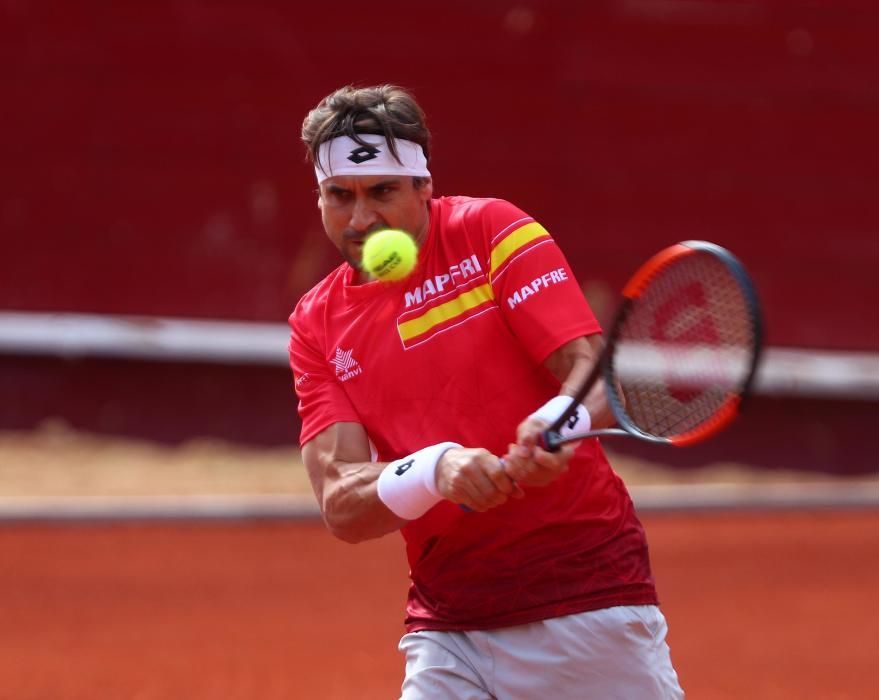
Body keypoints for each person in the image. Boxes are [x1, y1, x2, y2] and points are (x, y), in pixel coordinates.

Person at [288, 84, 684, 699]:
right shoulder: (316, 324)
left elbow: (592, 370)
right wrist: (435, 469)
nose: (362, 220)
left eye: (382, 192)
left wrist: (559, 424)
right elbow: (341, 503)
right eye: (340, 196)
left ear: (423, 186)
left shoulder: (491, 231)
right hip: (450, 626)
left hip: (584, 599)